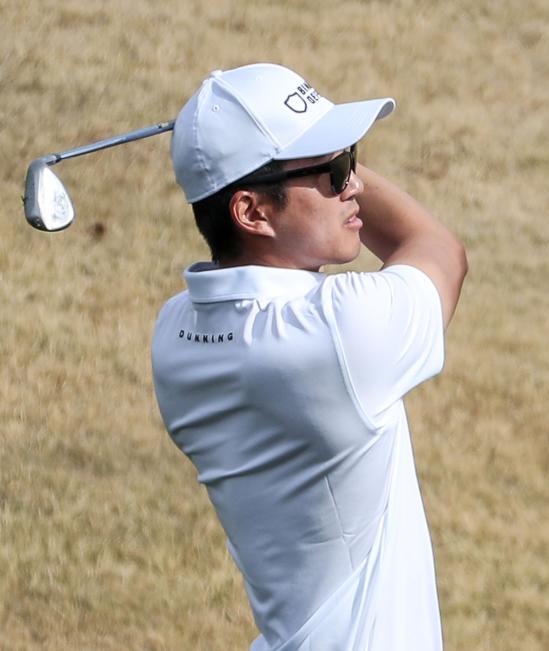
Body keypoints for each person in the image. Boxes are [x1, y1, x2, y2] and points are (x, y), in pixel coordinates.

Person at [151, 63, 467, 651]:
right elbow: (435, 248)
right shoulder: (340, 331)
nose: (357, 187)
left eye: (352, 160)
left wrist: (307, 154)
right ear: (252, 212)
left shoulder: (175, 334)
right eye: (337, 172)